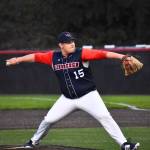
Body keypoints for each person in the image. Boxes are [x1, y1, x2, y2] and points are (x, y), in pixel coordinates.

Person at [6, 32, 140, 150]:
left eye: (72, 41)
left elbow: (103, 54)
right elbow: (35, 56)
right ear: (61, 45)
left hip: (88, 96)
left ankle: (125, 144)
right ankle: (33, 142)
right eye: (68, 42)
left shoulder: (82, 53)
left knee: (105, 117)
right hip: (67, 99)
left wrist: (122, 57)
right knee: (48, 120)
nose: (72, 43)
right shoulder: (53, 57)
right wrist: (17, 60)